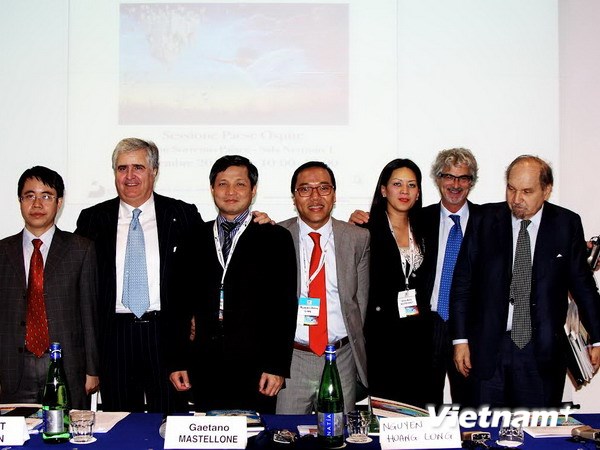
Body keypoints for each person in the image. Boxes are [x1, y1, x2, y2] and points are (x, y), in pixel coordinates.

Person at [451, 155, 600, 408]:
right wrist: (460, 340)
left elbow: (583, 285)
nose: (516, 199)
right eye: (511, 189)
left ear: (546, 190)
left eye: (527, 191)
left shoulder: (566, 224)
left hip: (541, 353)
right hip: (488, 349)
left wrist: (597, 338)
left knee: (535, 427)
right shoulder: (484, 219)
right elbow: (462, 283)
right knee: (484, 427)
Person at [75, 138, 204, 413]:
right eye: (122, 168)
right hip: (114, 338)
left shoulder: (182, 214)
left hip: (166, 337)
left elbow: (205, 267)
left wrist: (256, 223)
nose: (129, 176)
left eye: (138, 167)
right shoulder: (93, 219)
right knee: (120, 422)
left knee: (170, 422)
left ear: (154, 171)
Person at [168, 155, 298, 414]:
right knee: (209, 433)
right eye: (222, 184)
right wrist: (177, 360)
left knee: (256, 434)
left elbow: (284, 307)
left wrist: (276, 366)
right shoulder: (193, 238)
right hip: (203, 363)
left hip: (257, 367)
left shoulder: (275, 238)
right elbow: (178, 303)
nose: (230, 192)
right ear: (212, 189)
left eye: (240, 184)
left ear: (253, 190)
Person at [0, 166, 99, 409]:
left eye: (46, 196)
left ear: (59, 202)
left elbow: (89, 314)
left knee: (65, 431)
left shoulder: (80, 249)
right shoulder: (2, 251)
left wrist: (92, 369)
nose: (37, 204)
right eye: (29, 196)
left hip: (66, 367)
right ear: (20, 201)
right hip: (13, 369)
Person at [276, 161, 370, 414]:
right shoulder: (277, 235)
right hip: (292, 359)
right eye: (305, 189)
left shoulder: (357, 237)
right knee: (286, 431)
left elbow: (360, 302)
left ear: (334, 194)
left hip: (340, 357)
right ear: (294, 197)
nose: (315, 196)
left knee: (338, 431)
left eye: (324, 188)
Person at [360, 158, 435, 408]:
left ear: (418, 192)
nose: (405, 191)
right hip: (382, 337)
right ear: (383, 190)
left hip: (419, 337)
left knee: (418, 410)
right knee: (387, 411)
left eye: (412, 185)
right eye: (397, 184)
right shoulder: (366, 229)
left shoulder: (426, 227)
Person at [418, 148, 479, 406]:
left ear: (471, 182)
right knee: (424, 406)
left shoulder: (488, 221)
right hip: (428, 325)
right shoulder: (418, 219)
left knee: (470, 406)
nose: (455, 184)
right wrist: (361, 219)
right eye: (448, 176)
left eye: (463, 178)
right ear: (438, 179)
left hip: (469, 327)